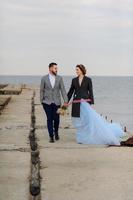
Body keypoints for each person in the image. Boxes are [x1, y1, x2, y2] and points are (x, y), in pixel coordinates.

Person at [67, 64, 125, 145]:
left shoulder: (88, 80)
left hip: (85, 103)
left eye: (77, 69)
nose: (76, 71)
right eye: (76, 70)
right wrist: (66, 102)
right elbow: (70, 92)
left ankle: (87, 136)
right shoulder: (74, 80)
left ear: (82, 70)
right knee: (79, 121)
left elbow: (90, 91)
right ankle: (81, 137)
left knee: (87, 120)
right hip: (76, 103)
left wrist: (91, 102)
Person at [40, 62, 68, 143]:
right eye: (55, 68)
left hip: (57, 102)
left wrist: (66, 101)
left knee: (56, 119)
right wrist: (41, 100)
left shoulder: (59, 78)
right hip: (46, 102)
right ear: (50, 69)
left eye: (57, 68)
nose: (56, 70)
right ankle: (51, 136)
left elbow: (63, 90)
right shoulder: (44, 78)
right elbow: (41, 90)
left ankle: (56, 132)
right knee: (49, 119)